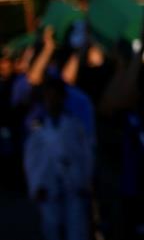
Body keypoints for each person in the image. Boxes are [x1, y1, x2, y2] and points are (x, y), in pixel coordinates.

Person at [23, 77, 95, 240]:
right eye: (49, 96)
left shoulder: (74, 124)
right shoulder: (37, 127)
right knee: (51, 228)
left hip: (74, 185)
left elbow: (86, 154)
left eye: (56, 96)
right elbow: (31, 159)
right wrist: (36, 184)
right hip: (48, 187)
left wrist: (85, 180)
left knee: (77, 231)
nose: (52, 101)